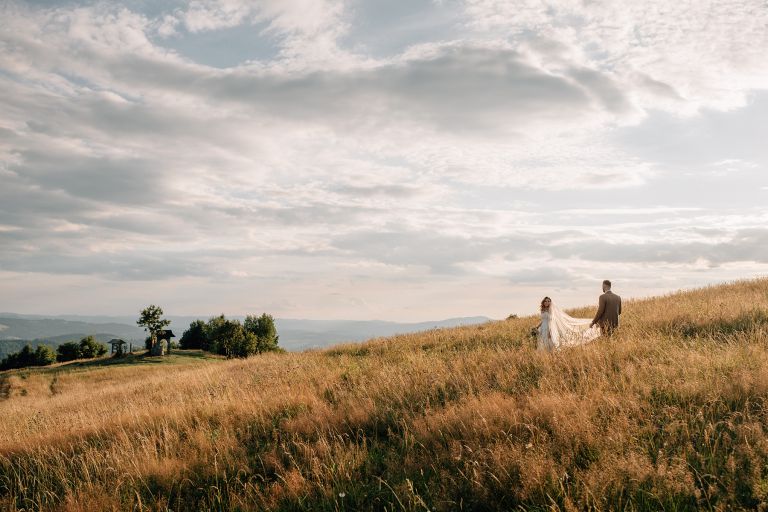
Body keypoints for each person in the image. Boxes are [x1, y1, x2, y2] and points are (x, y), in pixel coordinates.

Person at [535, 296, 600, 351]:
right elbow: (543, 320)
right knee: (543, 342)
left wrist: (550, 331)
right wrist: (537, 326)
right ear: (543, 302)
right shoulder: (542, 310)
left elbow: (551, 321)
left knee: (550, 342)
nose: (547, 302)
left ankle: (552, 355)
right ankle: (545, 356)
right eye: (546, 301)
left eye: (549, 301)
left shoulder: (551, 310)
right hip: (543, 327)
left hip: (550, 328)